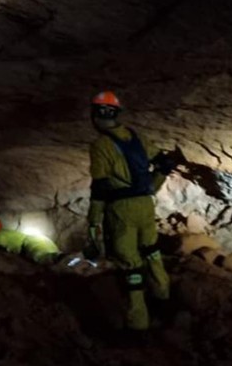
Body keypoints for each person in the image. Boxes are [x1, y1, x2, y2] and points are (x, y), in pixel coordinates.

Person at [86, 90, 176, 331]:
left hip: (120, 210)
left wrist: (93, 227)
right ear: (117, 114)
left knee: (131, 265)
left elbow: (100, 189)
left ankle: (138, 323)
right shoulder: (137, 138)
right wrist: (150, 188)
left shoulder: (100, 145)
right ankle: (163, 301)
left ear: (95, 116)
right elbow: (166, 163)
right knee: (152, 251)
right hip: (145, 205)